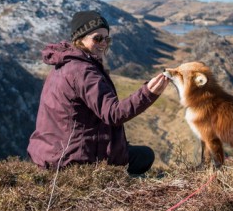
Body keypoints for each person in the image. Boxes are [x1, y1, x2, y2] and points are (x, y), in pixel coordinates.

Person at [27, 10, 169, 174]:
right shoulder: (83, 71)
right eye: (97, 38)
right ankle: (120, 184)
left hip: (52, 154)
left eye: (107, 39)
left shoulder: (64, 64)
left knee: (131, 151)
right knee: (145, 156)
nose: (103, 43)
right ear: (80, 39)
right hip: (73, 159)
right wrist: (148, 93)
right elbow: (113, 114)